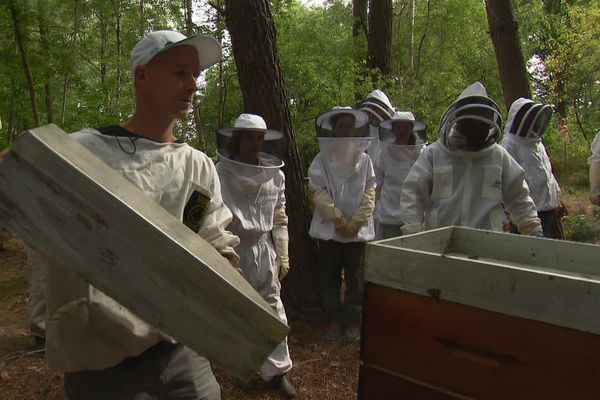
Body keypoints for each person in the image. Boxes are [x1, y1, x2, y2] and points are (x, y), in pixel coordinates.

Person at [45, 30, 240, 400]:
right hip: (103, 360)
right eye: (181, 72)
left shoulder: (197, 167)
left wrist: (227, 266)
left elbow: (208, 234)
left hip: (183, 351)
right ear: (142, 75)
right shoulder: (79, 152)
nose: (193, 84)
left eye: (195, 75)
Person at [215, 113, 296, 399]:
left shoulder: (276, 175)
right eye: (249, 137)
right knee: (239, 312)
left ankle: (277, 373)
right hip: (233, 250)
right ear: (237, 140)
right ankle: (245, 369)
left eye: (259, 138)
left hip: (265, 249)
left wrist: (283, 251)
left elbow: (280, 215)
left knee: (273, 309)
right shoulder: (218, 173)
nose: (254, 143)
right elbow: (204, 215)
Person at [399, 82, 542, 236]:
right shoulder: (434, 154)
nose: (477, 128)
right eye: (471, 123)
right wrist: (412, 230)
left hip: (490, 242)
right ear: (459, 121)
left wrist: (531, 226)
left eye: (482, 124)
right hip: (441, 240)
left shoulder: (498, 156)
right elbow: (413, 193)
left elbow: (518, 196)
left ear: (490, 124)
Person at [308, 106, 375, 343]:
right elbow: (318, 190)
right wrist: (336, 219)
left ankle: (353, 321)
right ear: (333, 129)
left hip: (357, 232)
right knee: (329, 277)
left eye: (349, 125)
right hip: (329, 231)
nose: (345, 129)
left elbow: (370, 190)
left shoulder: (365, 159)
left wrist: (357, 221)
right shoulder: (321, 159)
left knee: (356, 280)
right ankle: (334, 318)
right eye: (341, 125)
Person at [500, 98, 563, 238]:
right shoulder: (508, 145)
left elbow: (547, 172)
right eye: (530, 119)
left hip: (548, 210)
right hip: (525, 214)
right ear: (518, 119)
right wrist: (508, 213)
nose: (533, 123)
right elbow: (505, 181)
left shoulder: (537, 144)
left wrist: (557, 196)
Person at [374, 111, 427, 239]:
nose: (402, 131)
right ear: (394, 130)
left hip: (414, 216)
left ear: (411, 130)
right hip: (389, 215)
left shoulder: (421, 152)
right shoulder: (383, 152)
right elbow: (375, 183)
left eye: (406, 128)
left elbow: (427, 184)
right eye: (399, 128)